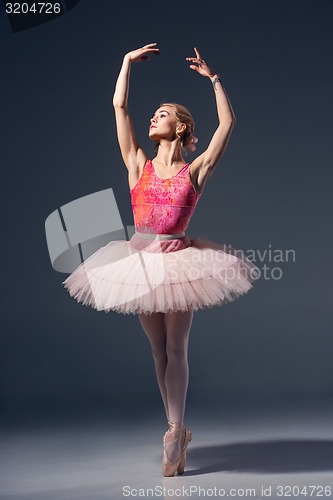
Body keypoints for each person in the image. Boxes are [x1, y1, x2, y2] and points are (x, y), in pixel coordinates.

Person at [62, 43, 260, 476]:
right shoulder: (137, 164)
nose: (155, 117)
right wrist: (125, 63)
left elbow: (228, 123)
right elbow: (119, 106)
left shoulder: (196, 171)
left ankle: (175, 430)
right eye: (154, 113)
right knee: (157, 350)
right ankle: (176, 430)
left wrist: (214, 79)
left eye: (163, 113)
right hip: (138, 260)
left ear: (182, 126)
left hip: (179, 261)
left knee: (176, 346)